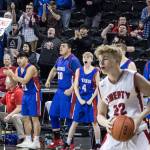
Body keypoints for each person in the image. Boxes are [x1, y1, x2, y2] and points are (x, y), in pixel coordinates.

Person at [95, 45, 150, 150]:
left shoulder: (133, 77)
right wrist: (106, 122)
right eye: (99, 60)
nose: (101, 63)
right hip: (114, 134)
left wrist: (140, 117)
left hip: (137, 133)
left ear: (117, 60)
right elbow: (100, 115)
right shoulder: (102, 86)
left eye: (105, 59)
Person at [45, 40, 81, 149]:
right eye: (60, 46)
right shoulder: (60, 59)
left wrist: (71, 89)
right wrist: (48, 80)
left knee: (69, 117)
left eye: (63, 46)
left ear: (69, 49)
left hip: (69, 92)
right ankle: (57, 140)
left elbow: (80, 76)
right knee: (53, 114)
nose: (60, 48)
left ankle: (71, 143)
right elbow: (54, 69)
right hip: (60, 91)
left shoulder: (73, 60)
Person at [62, 52, 101, 150]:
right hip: (81, 98)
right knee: (75, 121)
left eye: (88, 57)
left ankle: (97, 144)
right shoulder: (79, 70)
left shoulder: (96, 71)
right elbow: (75, 86)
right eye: (84, 57)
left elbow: (98, 87)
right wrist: (79, 98)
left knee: (94, 122)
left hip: (91, 98)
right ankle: (67, 142)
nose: (85, 58)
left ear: (92, 59)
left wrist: (91, 100)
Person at [4, 52, 41, 149]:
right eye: (17, 58)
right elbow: (15, 82)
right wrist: (8, 75)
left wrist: (12, 74)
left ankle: (36, 141)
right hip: (25, 94)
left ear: (26, 59)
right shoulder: (18, 69)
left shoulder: (31, 68)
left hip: (34, 95)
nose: (19, 60)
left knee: (34, 118)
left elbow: (24, 80)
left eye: (21, 58)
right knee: (25, 118)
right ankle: (28, 140)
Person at [0, 76, 24, 143]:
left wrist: (9, 115)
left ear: (11, 83)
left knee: (15, 116)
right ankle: (0, 138)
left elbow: (19, 108)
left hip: (22, 115)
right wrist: (9, 115)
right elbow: (1, 103)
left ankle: (22, 139)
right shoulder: (8, 93)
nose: (4, 84)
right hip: (10, 115)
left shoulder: (18, 92)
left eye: (6, 82)